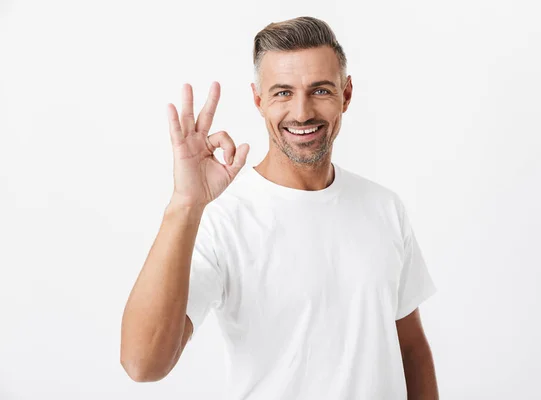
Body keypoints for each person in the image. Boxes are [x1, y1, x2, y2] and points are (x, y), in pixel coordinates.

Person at [121, 16, 439, 399]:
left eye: (320, 90)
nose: (302, 112)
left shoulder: (384, 207)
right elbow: (143, 363)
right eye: (283, 93)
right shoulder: (221, 218)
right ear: (258, 100)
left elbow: (410, 350)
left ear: (347, 94)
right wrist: (185, 204)